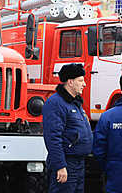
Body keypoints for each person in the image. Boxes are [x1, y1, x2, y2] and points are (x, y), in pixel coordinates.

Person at [42, 63, 93, 193]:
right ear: (70, 82)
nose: (84, 84)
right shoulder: (56, 103)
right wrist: (60, 166)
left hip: (78, 164)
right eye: (80, 80)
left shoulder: (75, 103)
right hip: (66, 164)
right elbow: (53, 137)